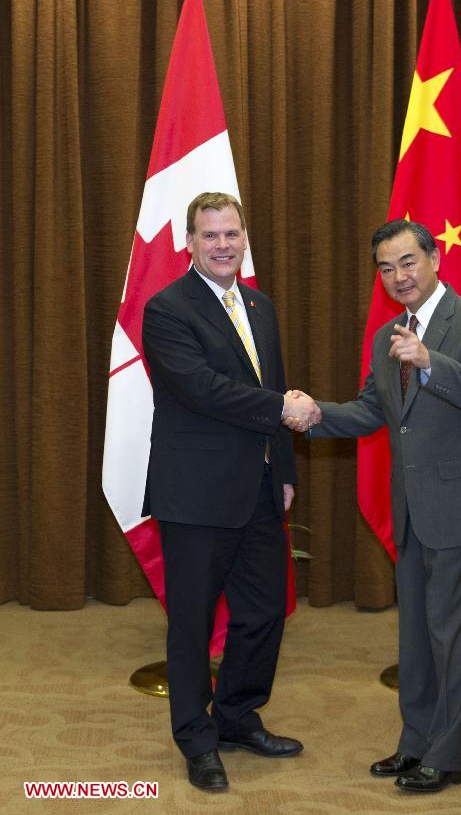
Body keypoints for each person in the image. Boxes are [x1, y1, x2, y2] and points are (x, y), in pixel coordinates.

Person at [284, 219, 461, 794]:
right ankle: (415, 745)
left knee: (454, 639)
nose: (398, 277)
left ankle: (449, 755)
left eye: (408, 262)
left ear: (435, 259)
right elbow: (373, 411)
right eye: (386, 269)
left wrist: (430, 358)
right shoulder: (388, 334)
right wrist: (316, 414)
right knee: (415, 638)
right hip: (412, 511)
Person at [142, 191, 320, 792]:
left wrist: (287, 470)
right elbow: (201, 388)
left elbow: (275, 384)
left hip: (263, 488)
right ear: (190, 244)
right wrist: (284, 408)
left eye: (231, 234)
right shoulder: (167, 309)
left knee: (265, 611)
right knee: (191, 622)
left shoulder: (260, 306)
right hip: (195, 494)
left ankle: (238, 717)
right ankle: (196, 738)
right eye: (209, 235)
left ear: (244, 239)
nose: (222, 245)